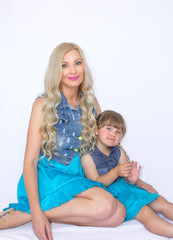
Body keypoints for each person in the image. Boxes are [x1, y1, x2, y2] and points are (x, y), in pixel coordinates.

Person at [0, 42, 157, 240]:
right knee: (107, 206)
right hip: (49, 176)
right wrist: (38, 214)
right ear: (56, 71)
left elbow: (108, 144)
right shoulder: (42, 105)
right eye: (64, 65)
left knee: (118, 215)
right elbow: (29, 161)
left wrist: (136, 180)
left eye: (77, 63)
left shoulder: (90, 101)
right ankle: (33, 212)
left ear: (84, 66)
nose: (72, 71)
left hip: (80, 175)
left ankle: (35, 213)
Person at [81, 110, 173, 239]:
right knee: (145, 212)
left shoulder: (119, 152)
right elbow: (96, 184)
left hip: (126, 188)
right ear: (96, 130)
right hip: (110, 195)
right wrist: (115, 172)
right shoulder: (88, 156)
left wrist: (133, 180)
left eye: (118, 131)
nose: (113, 134)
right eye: (108, 128)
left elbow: (127, 177)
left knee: (160, 201)